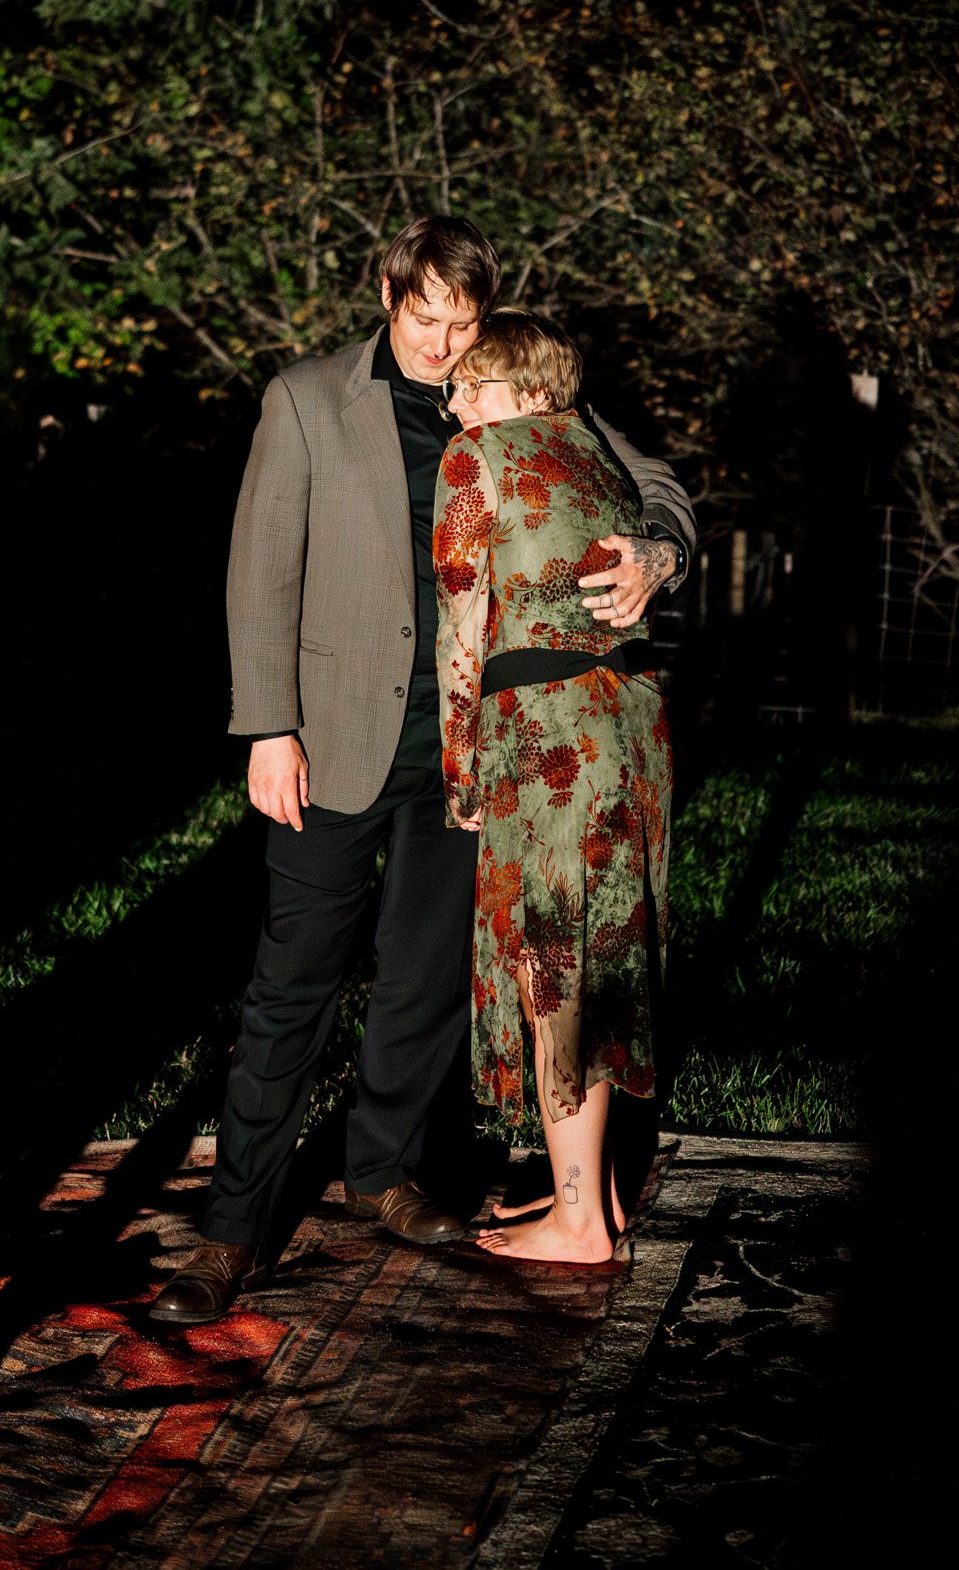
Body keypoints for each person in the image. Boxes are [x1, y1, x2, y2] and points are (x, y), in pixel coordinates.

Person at [152, 219, 693, 1323]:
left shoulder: (536, 401)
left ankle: (384, 1171)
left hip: (475, 748)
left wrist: (656, 555)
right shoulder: (305, 399)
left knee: (426, 974)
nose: (445, 343)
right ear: (388, 298)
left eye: (465, 322)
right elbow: (260, 573)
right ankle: (231, 1230)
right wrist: (267, 728)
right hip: (333, 736)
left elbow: (662, 487)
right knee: (291, 981)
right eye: (425, 318)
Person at [433, 310, 674, 1264]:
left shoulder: (477, 459)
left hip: (546, 737)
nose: (456, 406)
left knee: (551, 961)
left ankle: (577, 1221)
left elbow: (461, 629)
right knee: (601, 947)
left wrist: (460, 765)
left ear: (532, 388)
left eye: (473, 387)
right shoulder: (598, 458)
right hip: (634, 723)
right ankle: (595, 1202)